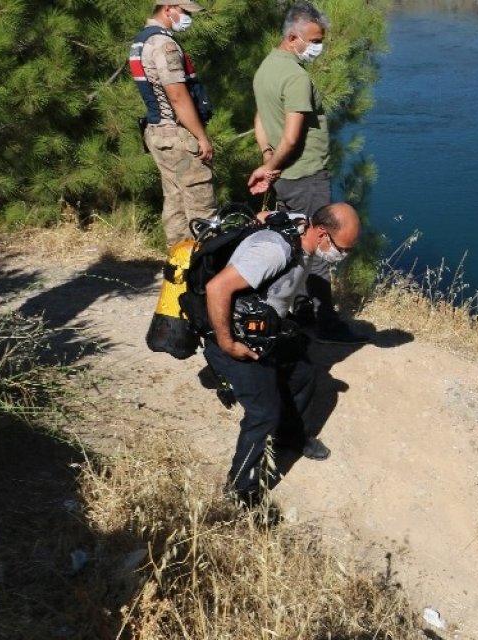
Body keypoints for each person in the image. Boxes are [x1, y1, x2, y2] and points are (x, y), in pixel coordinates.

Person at [202, 202, 360, 505]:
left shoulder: (301, 223)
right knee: (264, 413)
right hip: (233, 333)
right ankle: (240, 489)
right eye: (344, 249)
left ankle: (291, 438)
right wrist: (227, 343)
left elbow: (260, 216)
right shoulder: (274, 252)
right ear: (323, 235)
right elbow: (216, 289)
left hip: (266, 325)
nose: (344, 256)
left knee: (303, 374)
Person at [247, 2, 365, 345]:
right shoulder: (295, 76)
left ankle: (296, 309)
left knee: (291, 243)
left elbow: (260, 120)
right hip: (306, 176)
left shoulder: (266, 67)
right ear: (293, 36)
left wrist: (268, 162)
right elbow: (292, 136)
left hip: (286, 177)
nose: (318, 46)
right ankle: (327, 322)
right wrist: (271, 167)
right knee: (317, 249)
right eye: (314, 40)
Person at [129, 0, 216, 247]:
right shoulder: (164, 44)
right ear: (168, 9)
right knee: (201, 207)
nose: (189, 17)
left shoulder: (141, 41)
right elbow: (177, 95)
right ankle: (206, 269)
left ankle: (178, 266)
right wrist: (201, 137)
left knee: (175, 201)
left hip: (157, 132)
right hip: (178, 135)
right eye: (185, 12)